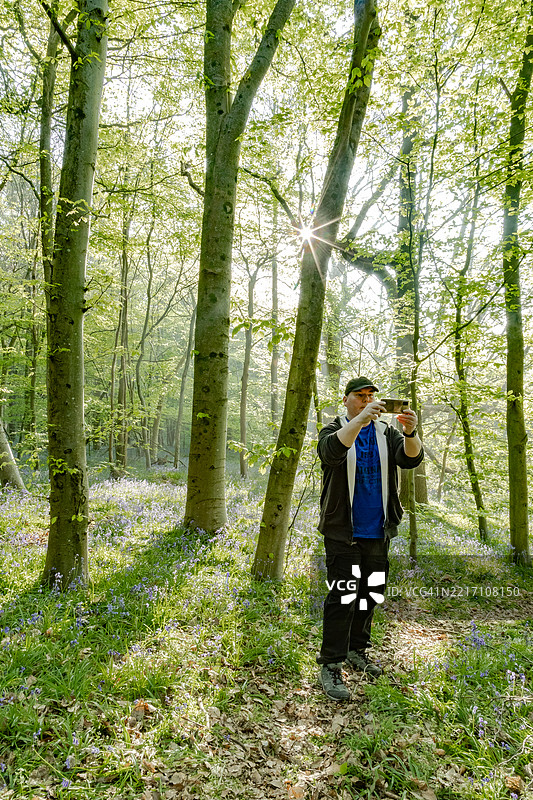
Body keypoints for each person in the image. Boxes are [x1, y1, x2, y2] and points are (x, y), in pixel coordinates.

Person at [317, 376, 424, 701]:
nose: (366, 401)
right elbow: (332, 453)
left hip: (378, 531)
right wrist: (360, 420)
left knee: (370, 594)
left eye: (370, 397)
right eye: (359, 396)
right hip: (343, 532)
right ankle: (331, 663)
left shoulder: (385, 433)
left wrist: (410, 432)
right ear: (346, 400)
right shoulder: (332, 429)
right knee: (343, 597)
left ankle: (357, 650)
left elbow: (411, 458)